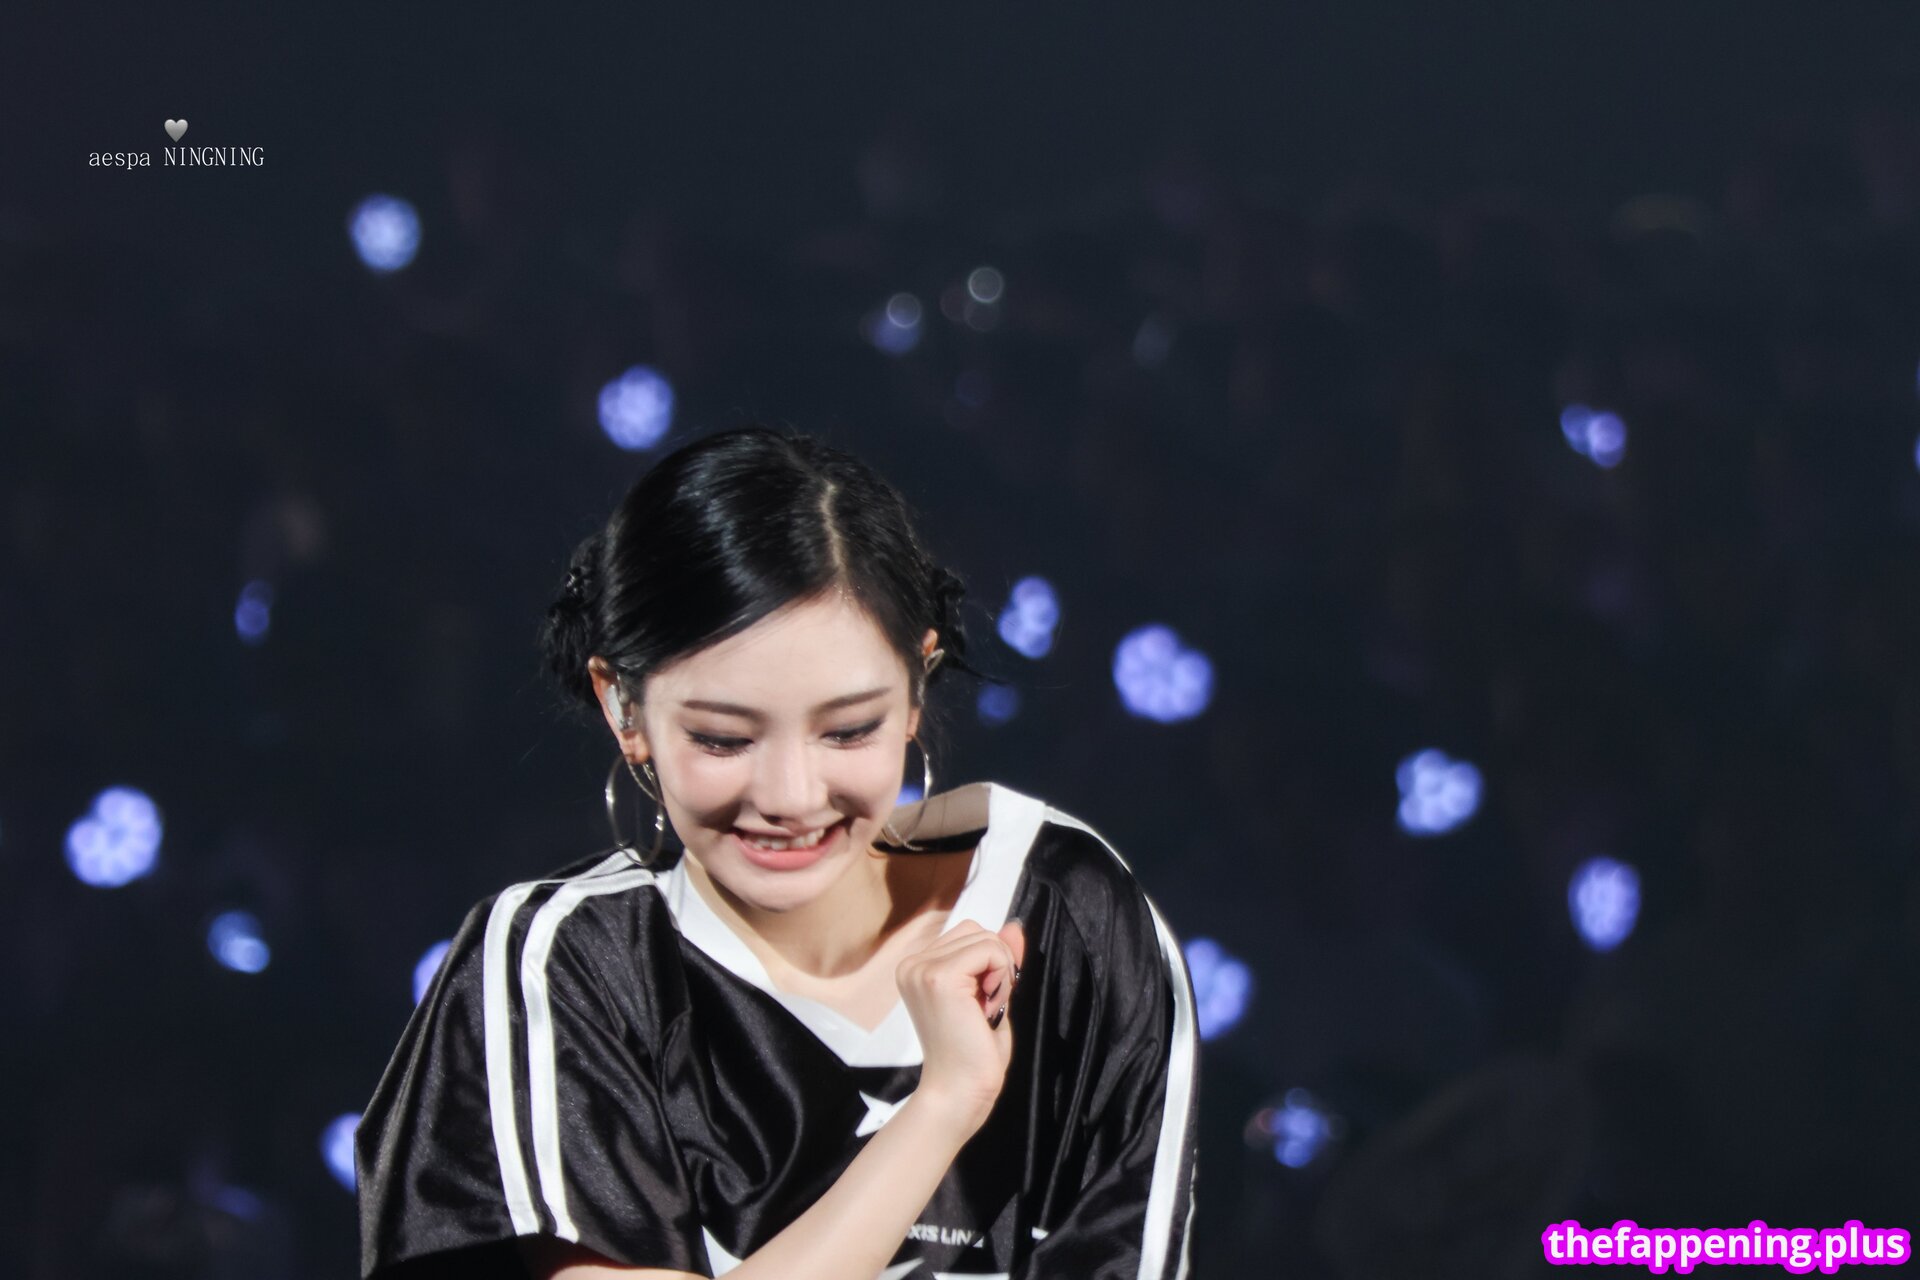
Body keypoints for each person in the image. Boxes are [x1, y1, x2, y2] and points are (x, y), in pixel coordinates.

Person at [354, 427, 1200, 1280]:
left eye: (850, 729)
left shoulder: (1067, 916)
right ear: (624, 709)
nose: (791, 796)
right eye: (724, 739)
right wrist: (940, 1107)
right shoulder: (568, 964)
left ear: (917, 683)